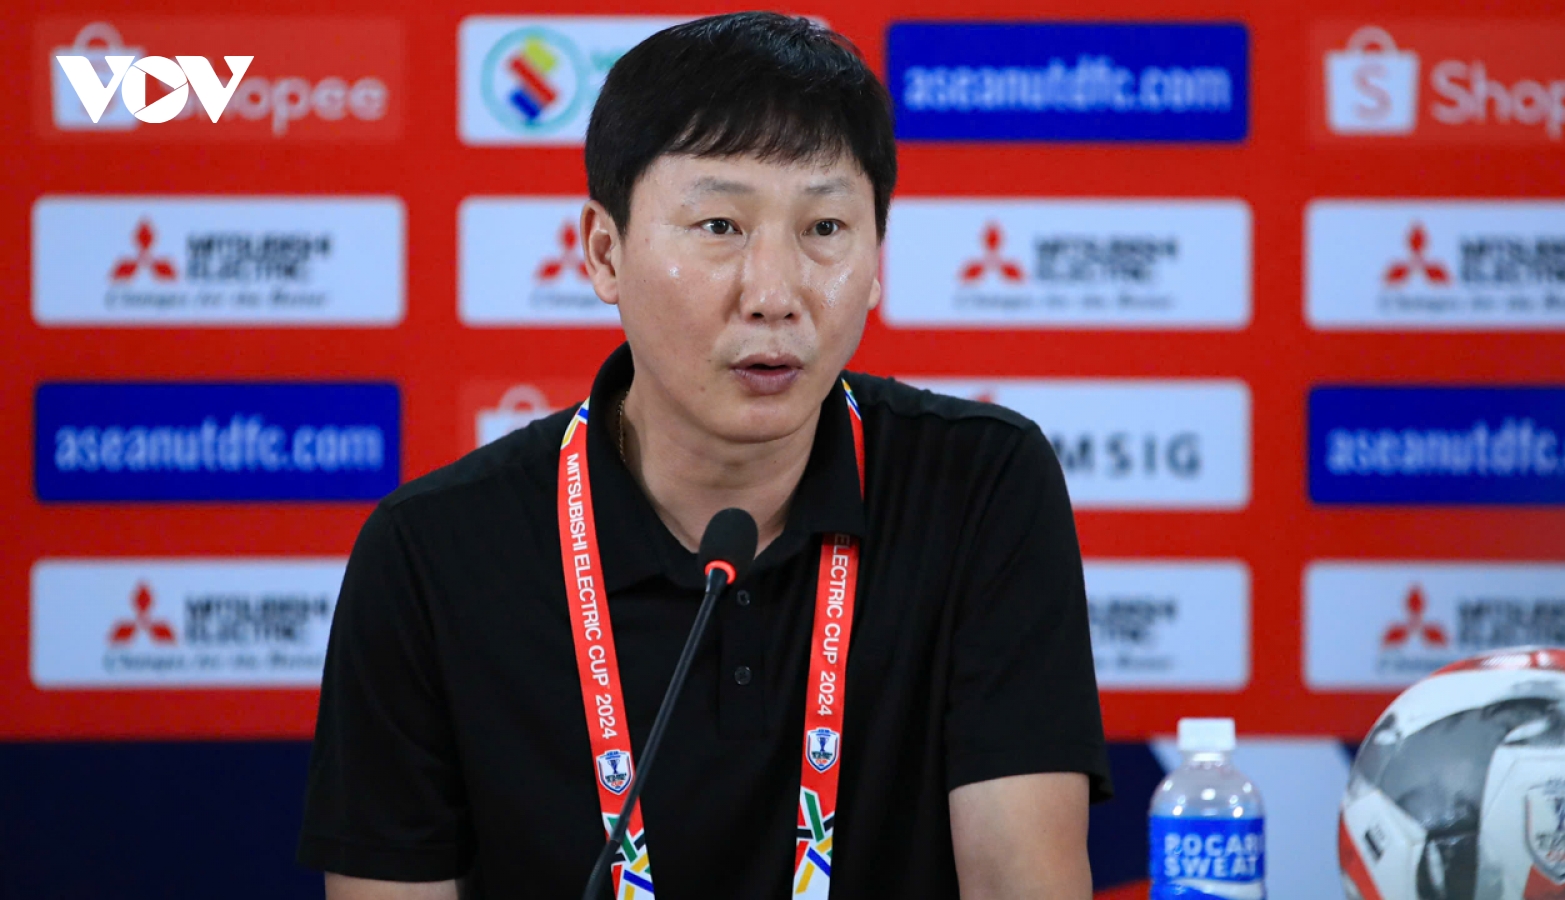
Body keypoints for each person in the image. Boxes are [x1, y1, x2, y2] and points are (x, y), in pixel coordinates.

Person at [298, 12, 1110, 899]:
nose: (775, 293)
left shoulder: (979, 486)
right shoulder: (432, 554)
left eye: (825, 228)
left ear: (877, 257)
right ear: (604, 253)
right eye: (720, 225)